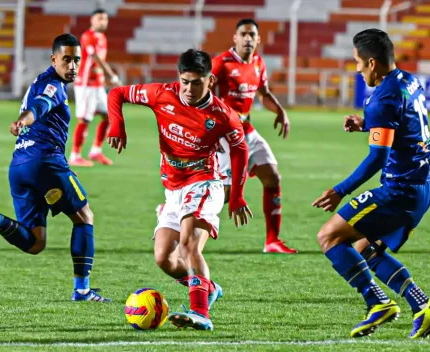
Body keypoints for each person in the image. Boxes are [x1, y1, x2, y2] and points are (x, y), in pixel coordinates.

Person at [107, 49, 252, 331]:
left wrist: (237, 195)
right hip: (173, 189)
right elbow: (117, 93)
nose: (188, 89)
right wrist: (117, 124)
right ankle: (206, 288)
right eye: (184, 81)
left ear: (210, 81)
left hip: (205, 183)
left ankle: (201, 312)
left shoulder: (223, 115)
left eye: (196, 82)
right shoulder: (163, 94)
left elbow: (240, 150)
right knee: (163, 258)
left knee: (188, 246)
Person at [313, 29, 430, 338]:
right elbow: (402, 123)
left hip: (398, 191)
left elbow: (377, 159)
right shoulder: (409, 81)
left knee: (329, 237)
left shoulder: (381, 99)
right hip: (423, 188)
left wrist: (339, 190)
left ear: (372, 63)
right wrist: (366, 124)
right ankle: (422, 305)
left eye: (358, 63)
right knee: (362, 248)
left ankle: (378, 303)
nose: (357, 69)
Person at [0, 34, 109, 302]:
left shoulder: (40, 82)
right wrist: (22, 121)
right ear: (54, 59)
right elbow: (40, 107)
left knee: (36, 242)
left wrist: (23, 122)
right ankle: (82, 290)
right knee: (84, 216)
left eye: (77, 60)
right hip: (45, 162)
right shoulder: (54, 86)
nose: (72, 66)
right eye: (67, 60)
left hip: (19, 165)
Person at [212, 18, 296, 254]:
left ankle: (272, 241)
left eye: (252, 35)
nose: (248, 39)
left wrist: (280, 111)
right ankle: (175, 210)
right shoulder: (220, 64)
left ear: (258, 39)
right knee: (226, 195)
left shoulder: (259, 63)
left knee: (273, 178)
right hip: (225, 136)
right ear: (235, 38)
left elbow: (264, 93)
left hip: (247, 129)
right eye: (243, 34)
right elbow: (201, 97)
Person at [69, 8, 121, 167]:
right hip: (86, 85)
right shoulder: (87, 36)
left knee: (109, 116)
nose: (103, 22)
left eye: (105, 19)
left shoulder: (102, 37)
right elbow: (96, 58)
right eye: (99, 19)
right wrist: (112, 76)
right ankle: (75, 155)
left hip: (98, 85)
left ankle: (96, 151)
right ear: (92, 20)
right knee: (84, 119)